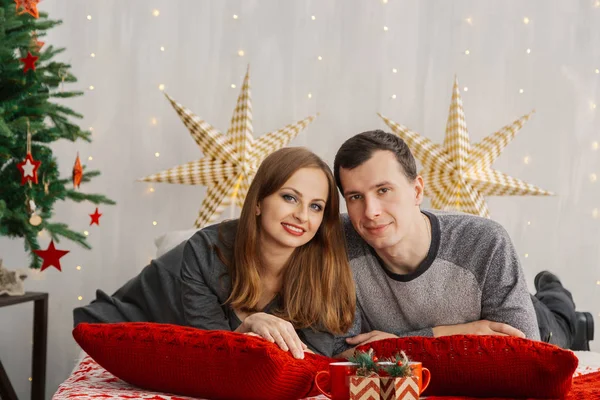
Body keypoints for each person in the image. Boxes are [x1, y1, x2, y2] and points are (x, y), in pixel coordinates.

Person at [74, 147, 356, 359]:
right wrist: (247, 327)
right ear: (258, 202)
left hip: (188, 351)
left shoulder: (325, 267)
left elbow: (310, 358)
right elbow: (215, 356)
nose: (301, 216)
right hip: (123, 325)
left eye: (316, 206)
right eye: (289, 197)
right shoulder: (205, 251)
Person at [331, 130, 577, 358]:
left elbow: (523, 350)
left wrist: (394, 346)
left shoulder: (486, 241)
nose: (371, 211)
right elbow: (339, 350)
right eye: (355, 197)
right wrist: (445, 335)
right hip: (468, 324)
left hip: (530, 319)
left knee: (559, 328)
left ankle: (554, 291)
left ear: (417, 191)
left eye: (383, 190)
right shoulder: (339, 240)